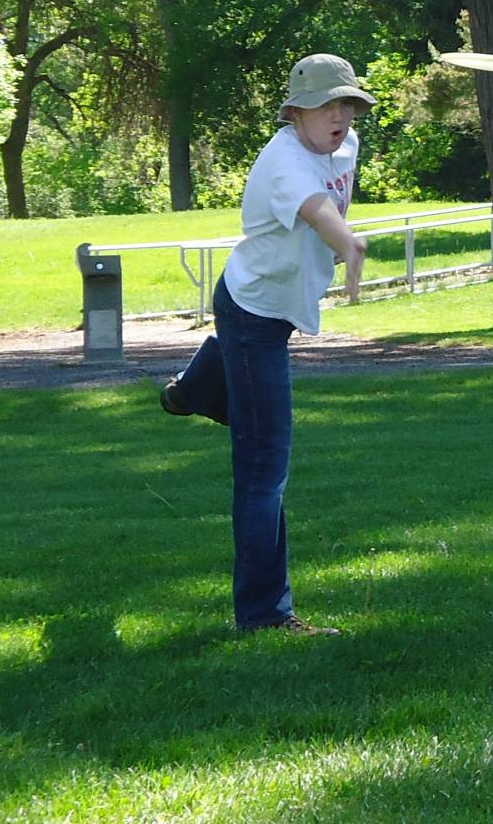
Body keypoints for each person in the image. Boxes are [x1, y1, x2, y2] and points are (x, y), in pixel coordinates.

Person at [160, 53, 373, 636]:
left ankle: (189, 392)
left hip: (264, 309)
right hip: (253, 317)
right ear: (295, 112)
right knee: (264, 468)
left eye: (348, 104)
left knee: (258, 439)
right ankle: (264, 614)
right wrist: (347, 244)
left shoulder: (343, 146)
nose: (340, 116)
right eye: (326, 105)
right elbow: (318, 210)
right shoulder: (285, 162)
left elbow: (330, 199)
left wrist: (339, 244)